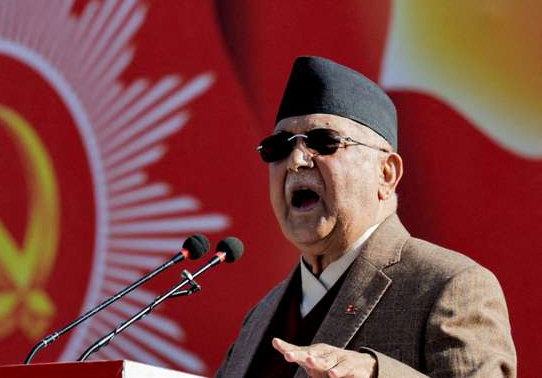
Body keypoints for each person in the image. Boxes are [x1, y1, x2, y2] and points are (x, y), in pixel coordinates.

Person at [215, 57, 516, 378]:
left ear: (386, 174)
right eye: (278, 148)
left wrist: (378, 373)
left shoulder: (449, 285)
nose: (296, 161)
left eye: (323, 142)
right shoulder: (260, 316)